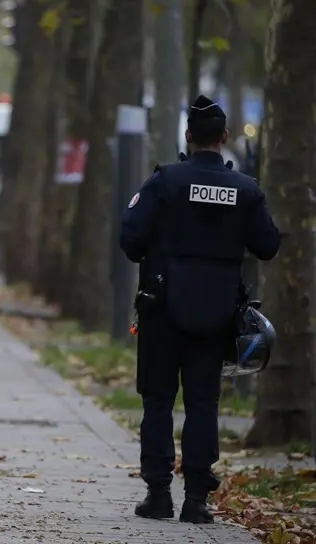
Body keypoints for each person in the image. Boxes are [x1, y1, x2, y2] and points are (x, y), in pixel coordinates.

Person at [119, 95, 280, 524]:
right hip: (216, 314)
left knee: (158, 401)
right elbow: (268, 245)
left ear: (189, 137)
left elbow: (130, 239)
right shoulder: (245, 190)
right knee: (203, 404)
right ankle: (196, 500)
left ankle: (157, 495)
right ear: (224, 138)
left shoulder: (165, 182)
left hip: (161, 310)